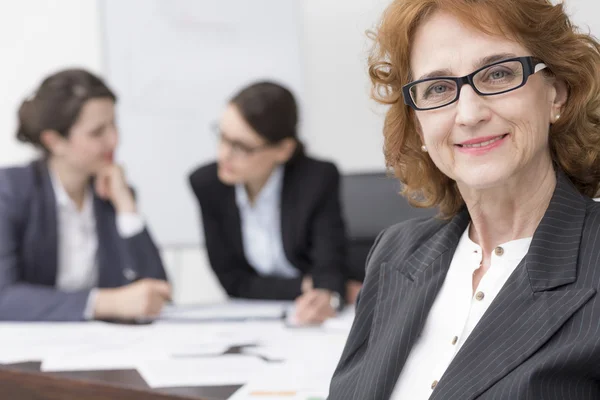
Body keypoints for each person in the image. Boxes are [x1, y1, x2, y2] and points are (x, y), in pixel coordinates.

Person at [329, 0, 600, 399]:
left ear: (556, 94)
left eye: (498, 74)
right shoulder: (396, 252)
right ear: (418, 124)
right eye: (438, 87)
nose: (469, 113)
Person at [0, 69, 170, 322]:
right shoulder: (11, 190)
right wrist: (103, 302)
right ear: (54, 141)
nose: (114, 140)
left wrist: (126, 207)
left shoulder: (113, 192)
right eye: (97, 132)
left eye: (114, 125)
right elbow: (4, 298)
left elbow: (156, 293)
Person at [189, 81, 347, 325]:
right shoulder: (208, 184)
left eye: (240, 146)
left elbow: (328, 271)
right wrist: (303, 285)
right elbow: (232, 281)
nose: (223, 154)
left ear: (283, 150)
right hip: (252, 318)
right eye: (222, 137)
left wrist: (324, 293)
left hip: (307, 319)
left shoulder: (317, 179)